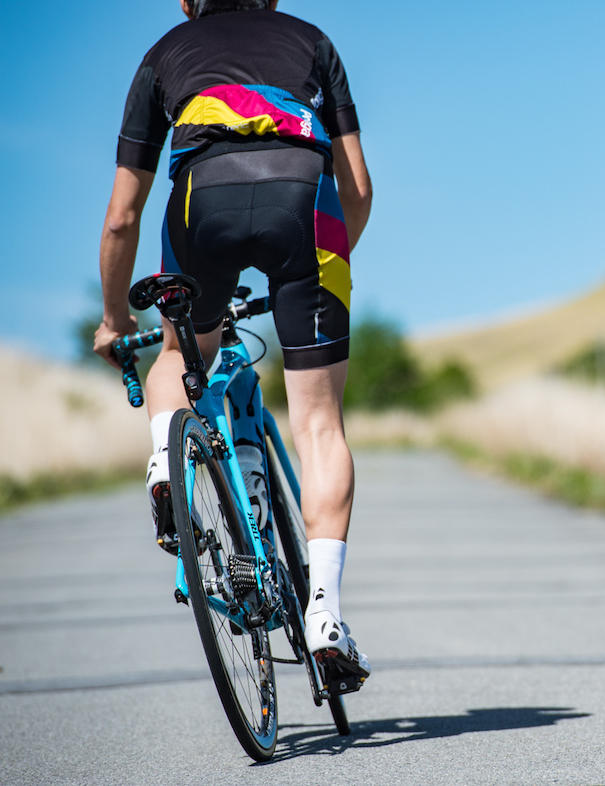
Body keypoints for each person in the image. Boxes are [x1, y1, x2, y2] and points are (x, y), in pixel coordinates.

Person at [93, 0, 373, 681]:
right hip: (303, 204)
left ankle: (166, 463)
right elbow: (357, 187)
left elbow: (122, 217)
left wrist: (113, 319)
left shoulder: (166, 52)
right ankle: (326, 617)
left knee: (175, 356)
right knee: (318, 425)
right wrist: (321, 268)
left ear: (188, 0)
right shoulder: (311, 39)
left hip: (201, 203)